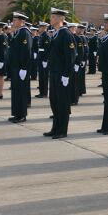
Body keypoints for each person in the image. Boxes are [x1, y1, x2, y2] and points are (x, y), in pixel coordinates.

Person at [44, 8, 76, 139]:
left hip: (62, 74)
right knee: (54, 102)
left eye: (53, 17)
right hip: (54, 72)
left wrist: (66, 75)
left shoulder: (66, 34)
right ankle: (55, 128)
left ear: (60, 19)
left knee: (62, 103)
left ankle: (62, 130)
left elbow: (71, 56)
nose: (51, 20)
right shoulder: (57, 33)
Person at [8, 12, 32, 123]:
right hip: (15, 66)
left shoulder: (25, 33)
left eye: (15, 20)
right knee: (16, 91)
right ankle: (16, 113)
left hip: (21, 67)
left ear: (22, 21)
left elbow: (26, 51)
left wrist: (24, 67)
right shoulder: (17, 32)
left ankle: (22, 115)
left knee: (21, 92)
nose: (13, 22)